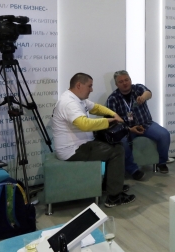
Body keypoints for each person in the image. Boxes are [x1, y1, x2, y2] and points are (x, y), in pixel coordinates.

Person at [52, 73, 138, 207]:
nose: (91, 89)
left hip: (80, 144)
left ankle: (109, 185)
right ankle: (114, 197)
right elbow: (84, 124)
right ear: (79, 85)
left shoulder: (78, 99)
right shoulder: (69, 103)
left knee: (114, 142)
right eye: (90, 86)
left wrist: (114, 114)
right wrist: (110, 120)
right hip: (72, 150)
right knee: (117, 151)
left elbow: (96, 108)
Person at [106, 70, 172, 177]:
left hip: (146, 124)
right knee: (123, 143)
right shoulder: (113, 98)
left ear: (130, 79)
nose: (125, 83)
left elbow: (148, 93)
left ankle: (162, 162)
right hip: (127, 129)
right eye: (121, 81)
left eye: (126, 80)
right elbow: (113, 121)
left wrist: (143, 97)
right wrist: (128, 129)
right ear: (116, 84)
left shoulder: (138, 88)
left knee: (164, 134)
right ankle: (133, 170)